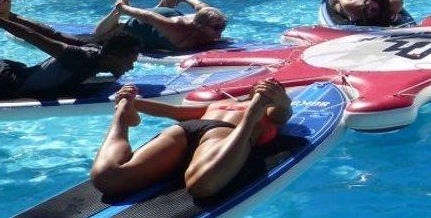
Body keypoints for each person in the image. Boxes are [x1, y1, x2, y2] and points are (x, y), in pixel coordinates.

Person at [90, 78, 292, 200]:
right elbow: (175, 111)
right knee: (107, 178)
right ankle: (121, 114)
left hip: (224, 134)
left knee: (201, 186)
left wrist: (274, 101)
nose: (269, 86)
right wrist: (134, 102)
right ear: (250, 90)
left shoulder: (272, 110)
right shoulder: (220, 103)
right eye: (264, 86)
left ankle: (249, 121)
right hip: (184, 130)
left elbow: (285, 112)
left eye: (275, 87)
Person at [0, 0, 140, 105]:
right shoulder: (82, 59)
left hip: (3, 73)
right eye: (129, 62)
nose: (131, 67)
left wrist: (12, 16)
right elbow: (34, 37)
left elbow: (52, 32)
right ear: (112, 57)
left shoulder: (94, 49)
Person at [89, 0, 227, 53]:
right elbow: (148, 17)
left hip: (170, 15)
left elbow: (201, 6)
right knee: (99, 35)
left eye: (223, 25)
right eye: (217, 28)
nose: (220, 30)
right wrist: (124, 8)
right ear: (201, 26)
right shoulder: (179, 32)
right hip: (143, 25)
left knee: (158, 15)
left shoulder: (207, 17)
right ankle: (117, 9)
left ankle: (167, 2)